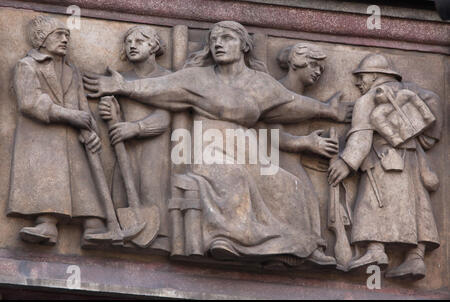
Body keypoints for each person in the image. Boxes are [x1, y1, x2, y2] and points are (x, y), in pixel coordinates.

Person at [84, 21, 352, 266]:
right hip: (210, 151)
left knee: (287, 185)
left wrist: (329, 111)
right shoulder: (197, 77)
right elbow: (159, 87)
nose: (218, 44)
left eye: (227, 38)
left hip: (249, 153)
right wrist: (121, 87)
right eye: (214, 40)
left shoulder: (260, 83)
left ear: (244, 45)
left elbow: (292, 104)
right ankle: (224, 240)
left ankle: (291, 248)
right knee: (230, 177)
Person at [328, 53, 442, 279]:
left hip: (382, 161)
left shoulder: (368, 100)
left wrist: (346, 163)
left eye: (362, 77)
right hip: (411, 160)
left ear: (376, 76)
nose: (358, 82)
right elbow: (432, 122)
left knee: (373, 203)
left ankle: (375, 251)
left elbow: (361, 137)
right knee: (417, 205)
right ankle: (415, 258)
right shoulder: (413, 93)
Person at [7, 15, 108, 246]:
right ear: (42, 39)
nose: (65, 40)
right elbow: (30, 102)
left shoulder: (72, 71)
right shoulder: (27, 65)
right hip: (43, 138)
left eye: (67, 36)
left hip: (73, 138)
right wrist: (70, 116)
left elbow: (83, 107)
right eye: (59, 35)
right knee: (48, 179)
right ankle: (47, 223)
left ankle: (94, 226)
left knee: (83, 180)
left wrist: (93, 132)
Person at [98, 25, 172, 251]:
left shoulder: (167, 78)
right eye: (128, 42)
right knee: (122, 186)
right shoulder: (121, 78)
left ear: (154, 46)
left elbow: (165, 115)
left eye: (139, 41)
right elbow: (116, 112)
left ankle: (159, 237)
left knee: (152, 186)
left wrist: (137, 128)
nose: (132, 45)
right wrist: (111, 112)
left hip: (155, 146)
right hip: (124, 144)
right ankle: (125, 233)